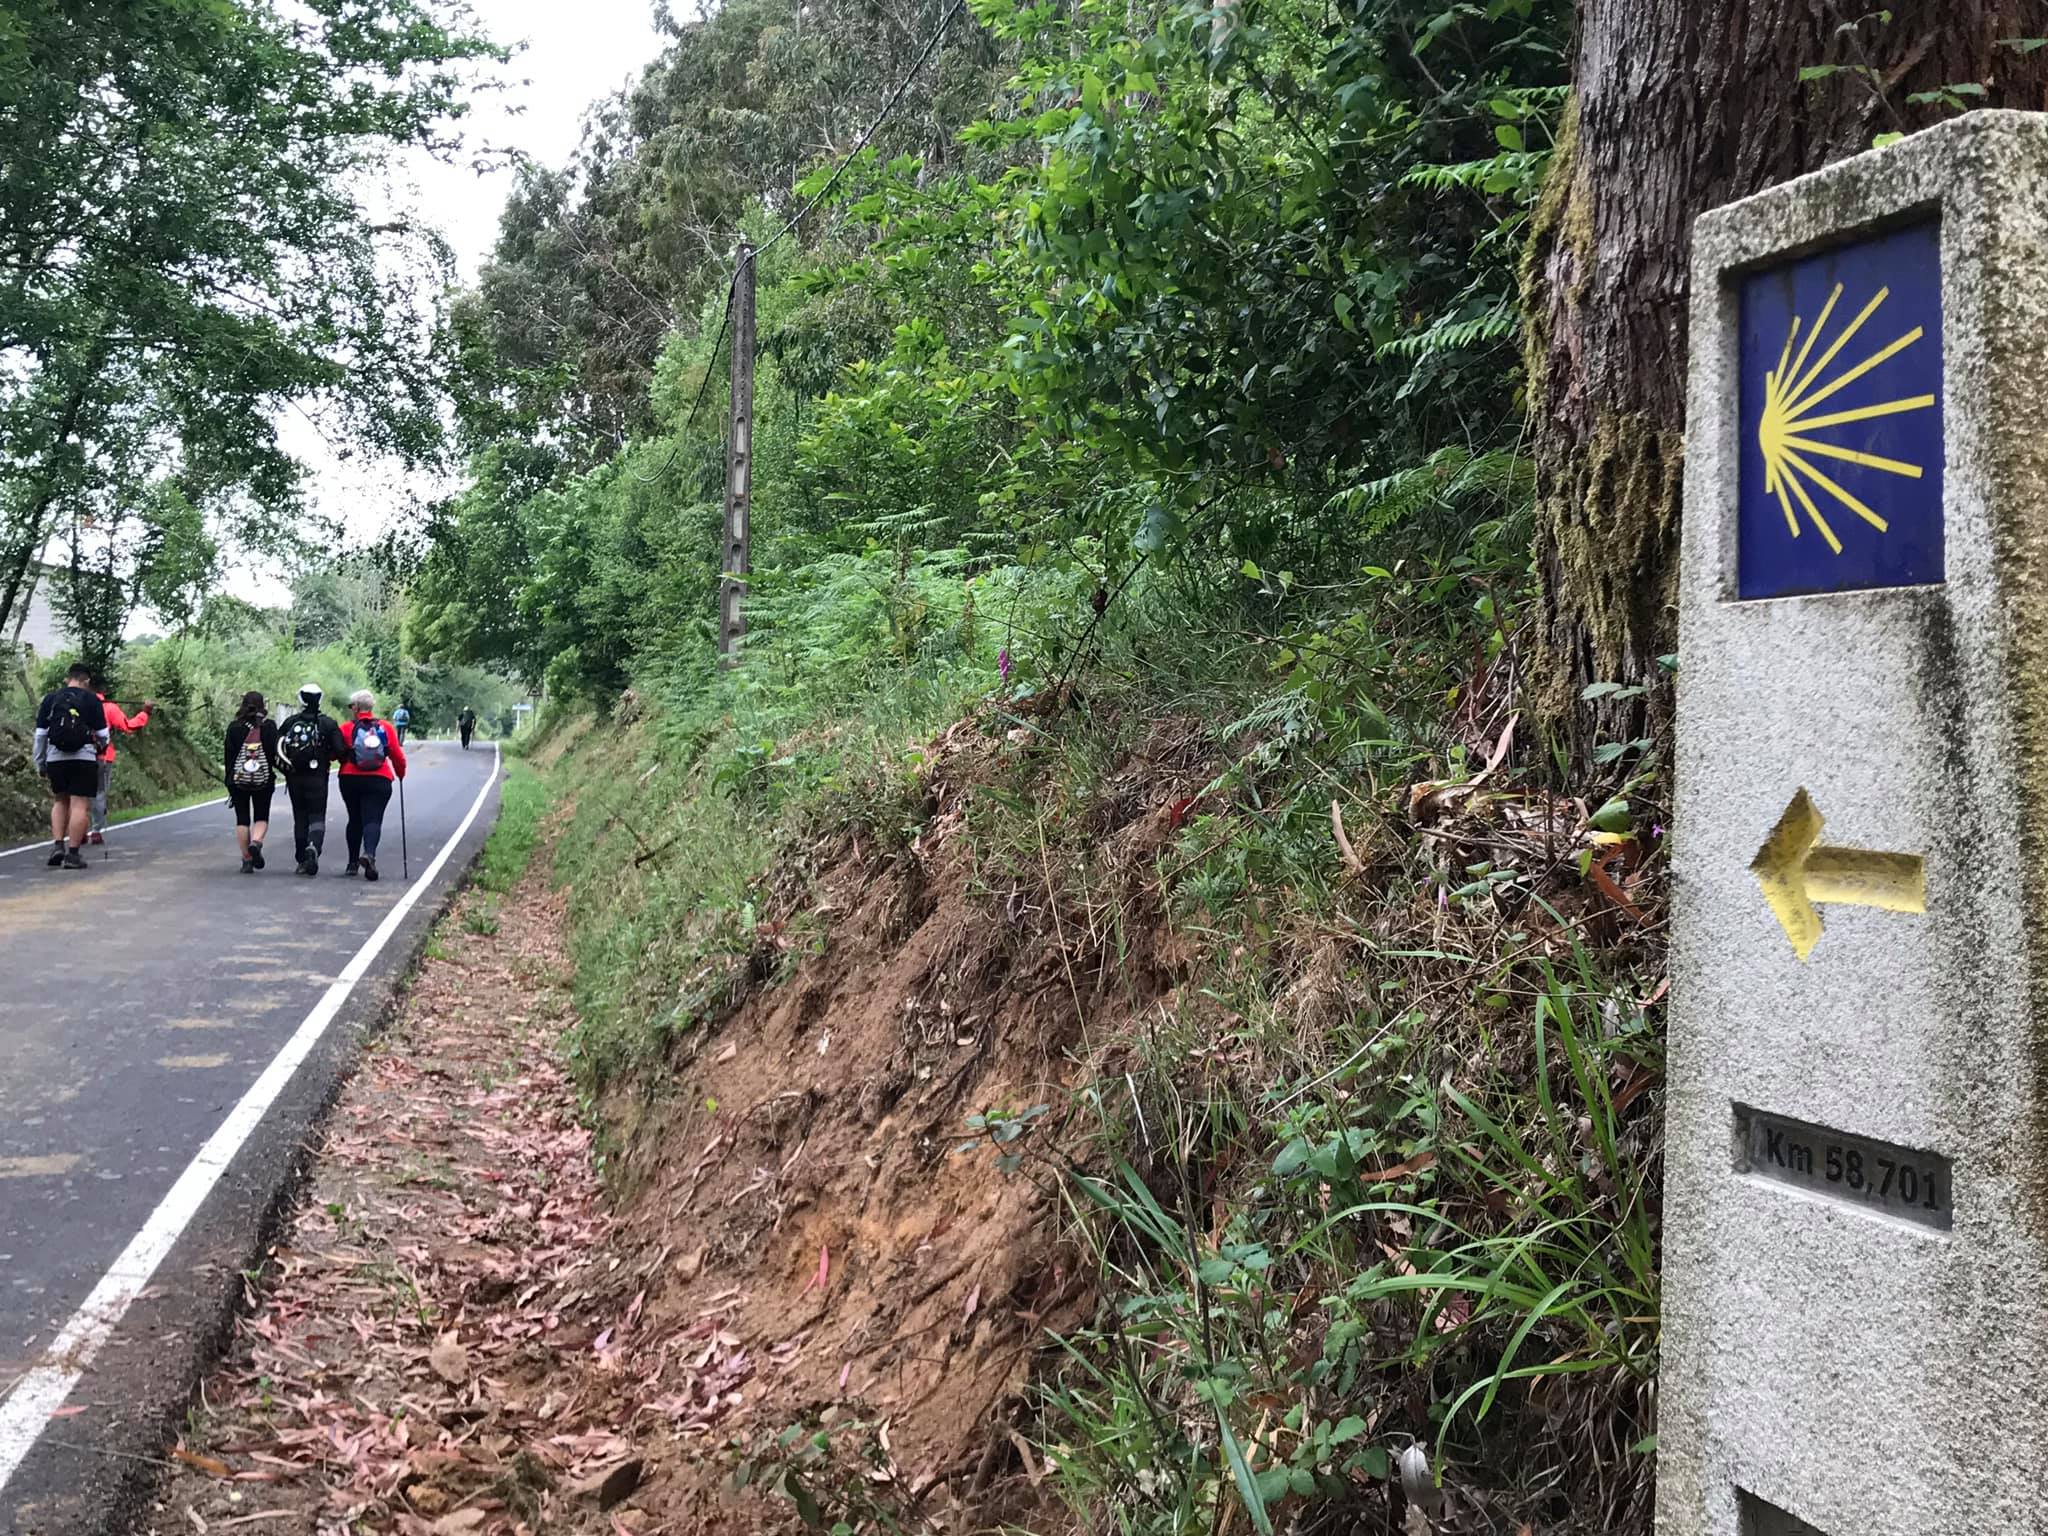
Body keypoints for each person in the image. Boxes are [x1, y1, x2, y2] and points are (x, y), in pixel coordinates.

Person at [32, 662, 110, 870]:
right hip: (83, 757)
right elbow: (103, 735)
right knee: (79, 804)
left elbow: (40, 735)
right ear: (86, 681)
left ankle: (58, 846)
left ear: (68, 679)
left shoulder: (51, 699)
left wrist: (40, 762)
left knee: (60, 801)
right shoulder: (91, 699)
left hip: (55, 757)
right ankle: (73, 855)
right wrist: (100, 752)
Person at [276, 683, 346, 876]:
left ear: (301, 699)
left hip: (294, 777)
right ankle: (314, 846)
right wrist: (326, 757)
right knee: (317, 815)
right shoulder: (328, 723)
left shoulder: (290, 722)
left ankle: (301, 859)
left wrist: (287, 766)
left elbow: (276, 746)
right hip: (318, 776)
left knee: (300, 816)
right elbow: (341, 750)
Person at [337, 689, 407, 881]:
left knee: (354, 819)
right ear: (372, 707)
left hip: (350, 778)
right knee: (373, 820)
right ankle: (369, 854)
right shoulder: (385, 727)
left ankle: (352, 864)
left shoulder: (345, 728)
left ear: (356, 708)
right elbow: (397, 755)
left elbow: (336, 753)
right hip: (379, 779)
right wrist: (400, 774)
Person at [88, 679, 153, 846]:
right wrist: (145, 712)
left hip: (75, 755)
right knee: (99, 792)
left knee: (77, 795)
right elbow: (129, 726)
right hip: (101, 756)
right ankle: (96, 830)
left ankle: (77, 831)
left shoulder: (75, 705)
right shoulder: (108, 707)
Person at [224, 691, 278, 874]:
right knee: (261, 816)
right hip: (263, 779)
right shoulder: (269, 727)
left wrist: (229, 780)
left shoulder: (234, 727)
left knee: (242, 818)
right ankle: (256, 842)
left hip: (238, 780)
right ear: (263, 705)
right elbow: (273, 754)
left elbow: (229, 757)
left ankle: (247, 859)